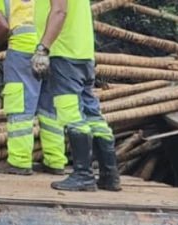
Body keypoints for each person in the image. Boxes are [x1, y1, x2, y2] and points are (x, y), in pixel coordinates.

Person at [34, 0, 119, 192]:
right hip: (83, 53)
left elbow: (59, 12)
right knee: (92, 114)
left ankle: (83, 174)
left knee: (70, 112)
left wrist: (43, 48)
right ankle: (109, 174)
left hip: (65, 53)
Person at [0, 0, 62, 176]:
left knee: (20, 106)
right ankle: (55, 160)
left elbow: (2, 27)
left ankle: (19, 161)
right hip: (51, 47)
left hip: (23, 49)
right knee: (50, 108)